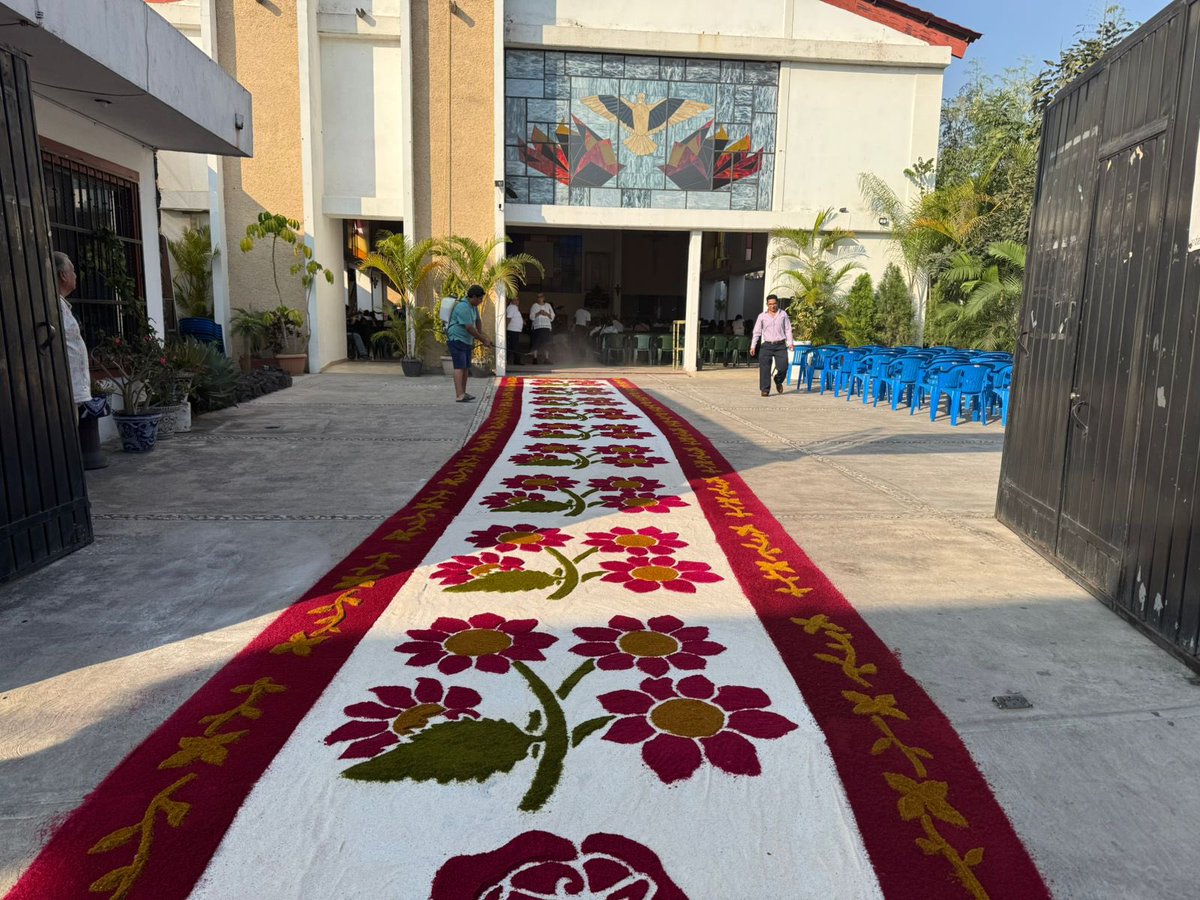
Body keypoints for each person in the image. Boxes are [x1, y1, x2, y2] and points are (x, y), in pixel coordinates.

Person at [54, 252, 90, 407]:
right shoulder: (54, 307)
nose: (76, 275)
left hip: (72, 391)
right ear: (63, 275)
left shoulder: (62, 305)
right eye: (73, 271)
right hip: (63, 390)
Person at [447, 284, 494, 402]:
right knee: (459, 367)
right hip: (457, 339)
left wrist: (483, 335)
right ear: (473, 297)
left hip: (466, 340)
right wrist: (483, 340)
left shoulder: (473, 307)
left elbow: (477, 321)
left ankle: (463, 392)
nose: (481, 301)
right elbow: (469, 327)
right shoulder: (463, 307)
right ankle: (459, 395)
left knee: (466, 367)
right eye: (479, 299)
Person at [749, 294, 793, 397]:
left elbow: (788, 329)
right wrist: (753, 346)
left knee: (783, 367)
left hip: (780, 345)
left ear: (777, 303)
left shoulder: (783, 314)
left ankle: (778, 380)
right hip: (767, 346)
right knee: (765, 368)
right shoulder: (762, 316)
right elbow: (757, 332)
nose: (772, 306)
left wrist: (790, 343)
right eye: (770, 304)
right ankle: (765, 390)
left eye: (774, 304)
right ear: (767, 305)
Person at [529, 292, 555, 364]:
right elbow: (531, 317)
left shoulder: (548, 305)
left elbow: (552, 316)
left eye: (541, 297)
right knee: (536, 342)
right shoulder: (534, 305)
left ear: (544, 298)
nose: (539, 298)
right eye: (538, 297)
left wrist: (546, 314)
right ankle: (535, 358)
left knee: (546, 343)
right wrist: (539, 313)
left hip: (546, 327)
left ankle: (546, 358)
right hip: (537, 327)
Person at [505, 295, 525, 366]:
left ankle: (513, 360)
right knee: (514, 346)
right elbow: (508, 318)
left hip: (515, 330)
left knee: (513, 346)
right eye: (514, 300)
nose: (516, 301)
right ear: (511, 301)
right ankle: (516, 360)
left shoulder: (515, 308)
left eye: (517, 300)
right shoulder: (512, 307)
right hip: (512, 330)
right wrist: (506, 328)